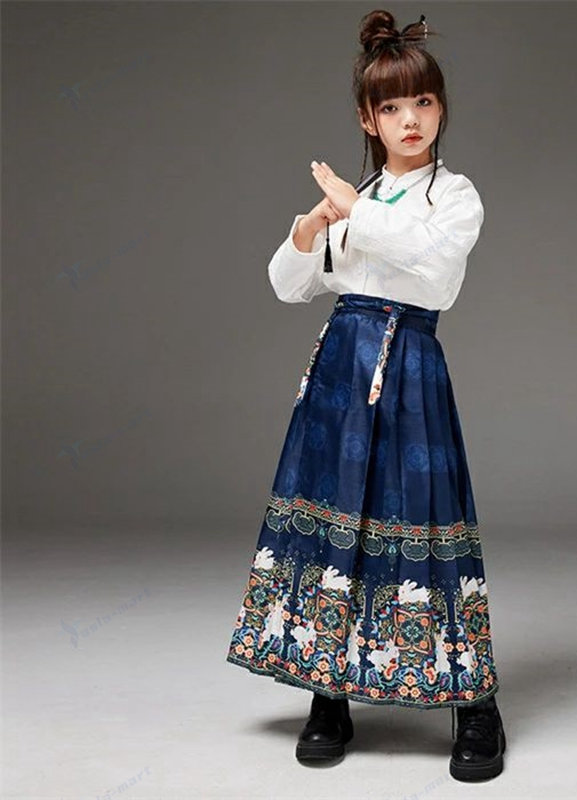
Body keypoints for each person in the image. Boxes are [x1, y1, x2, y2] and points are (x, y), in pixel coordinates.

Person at [226, 8, 506, 782]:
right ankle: (329, 691)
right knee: (335, 517)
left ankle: (474, 703)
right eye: (391, 106)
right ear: (367, 118)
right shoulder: (363, 197)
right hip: (340, 369)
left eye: (423, 101)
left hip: (409, 363)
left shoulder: (454, 196)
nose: (409, 119)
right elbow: (289, 286)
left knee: (426, 518)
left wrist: (358, 213)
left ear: (440, 108)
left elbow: (436, 273)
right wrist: (313, 225)